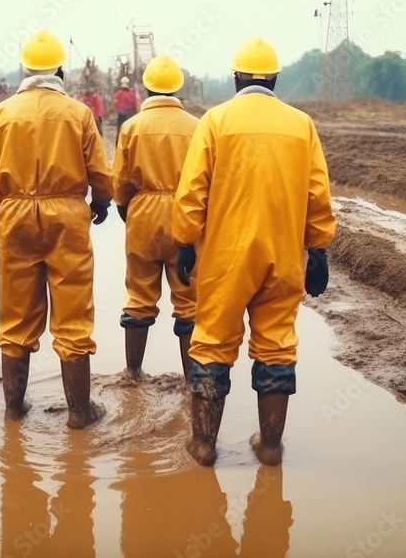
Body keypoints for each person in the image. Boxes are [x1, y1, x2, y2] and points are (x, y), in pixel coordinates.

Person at [172, 36, 336, 466]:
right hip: (283, 257)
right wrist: (318, 250)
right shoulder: (302, 125)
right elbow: (318, 194)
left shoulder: (215, 121)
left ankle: (204, 446)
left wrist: (185, 240)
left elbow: (192, 192)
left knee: (211, 344)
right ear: (276, 79)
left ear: (236, 79)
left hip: (226, 259)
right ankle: (270, 447)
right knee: (277, 345)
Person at [0, 30, 113, 429]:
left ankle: (14, 409)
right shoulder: (78, 113)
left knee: (15, 317)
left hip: (16, 214)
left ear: (25, 70)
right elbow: (99, 172)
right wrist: (102, 203)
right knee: (73, 317)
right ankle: (79, 413)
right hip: (67, 216)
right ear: (60, 69)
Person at [112, 54, 199, 380]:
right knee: (189, 301)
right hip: (183, 215)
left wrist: (130, 215)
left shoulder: (131, 127)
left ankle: (133, 373)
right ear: (179, 87)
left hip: (143, 214)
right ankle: (193, 382)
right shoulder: (196, 127)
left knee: (138, 297)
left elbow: (120, 183)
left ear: (145, 87)